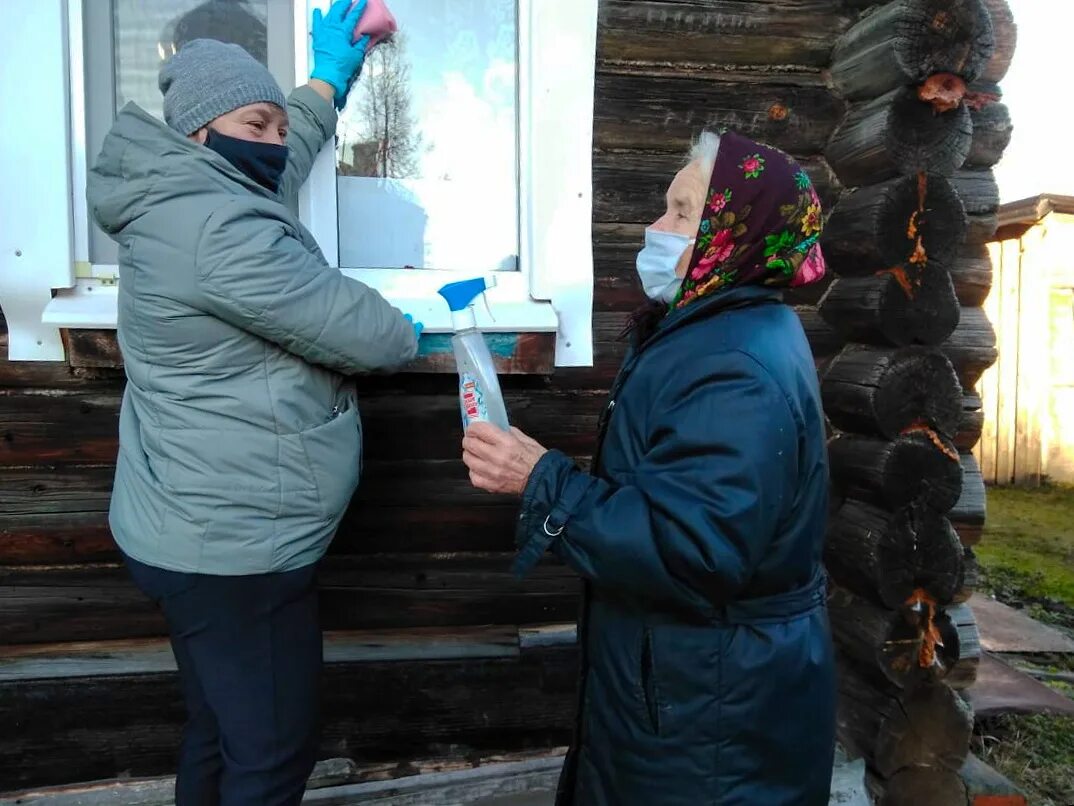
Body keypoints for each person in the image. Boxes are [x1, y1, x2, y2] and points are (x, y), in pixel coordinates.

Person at [86, 2, 420, 804]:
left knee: (220, 731)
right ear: (201, 134)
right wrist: (407, 320)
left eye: (276, 126)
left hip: (188, 525)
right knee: (269, 756)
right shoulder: (221, 230)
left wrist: (326, 83)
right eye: (255, 126)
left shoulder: (181, 194)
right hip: (235, 552)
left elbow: (280, 147)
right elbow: (375, 337)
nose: (274, 143)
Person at [463, 130, 836, 805]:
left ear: (737, 229)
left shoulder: (734, 367)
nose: (655, 226)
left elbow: (692, 549)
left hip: (710, 714)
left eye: (683, 211)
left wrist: (541, 479)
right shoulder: (717, 331)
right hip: (695, 691)